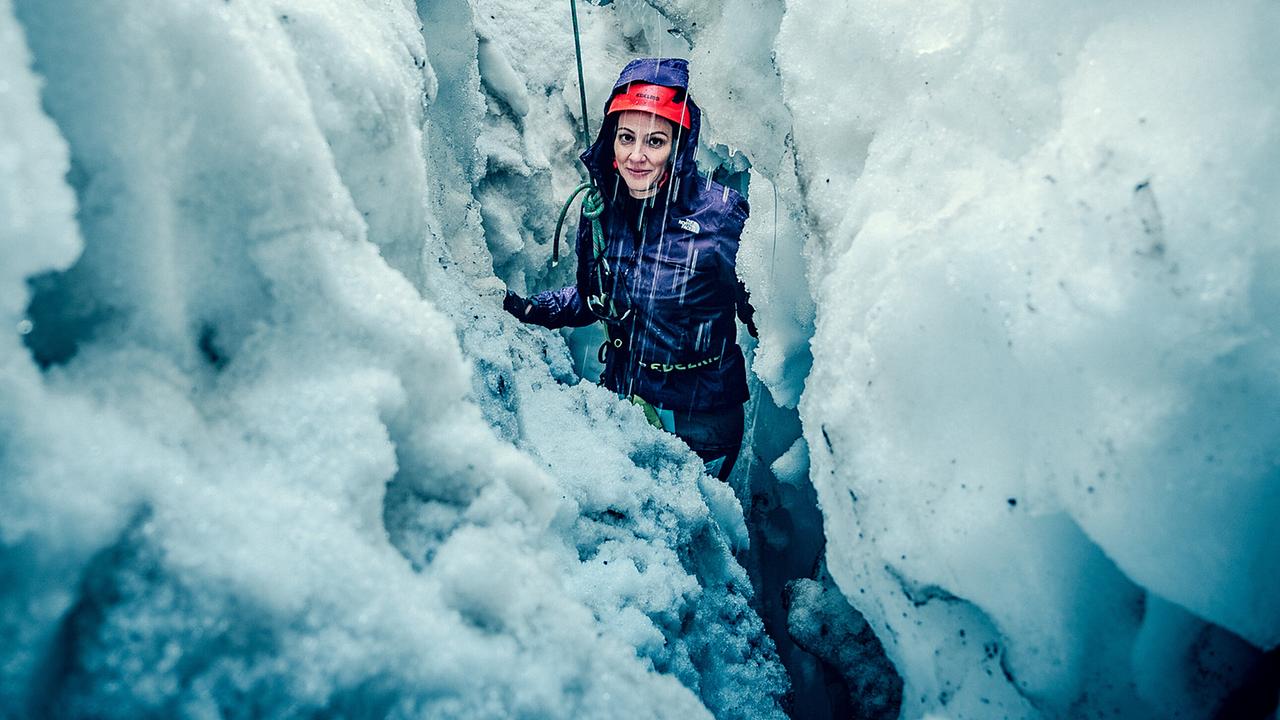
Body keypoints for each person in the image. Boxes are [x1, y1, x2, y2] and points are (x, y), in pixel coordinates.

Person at [503, 57, 757, 482]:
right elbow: (594, 299)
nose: (637, 156)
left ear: (680, 145)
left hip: (702, 419)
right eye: (626, 138)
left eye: (655, 141)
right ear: (612, 143)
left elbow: (764, 316)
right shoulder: (601, 211)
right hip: (625, 399)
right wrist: (530, 309)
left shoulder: (722, 217)